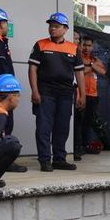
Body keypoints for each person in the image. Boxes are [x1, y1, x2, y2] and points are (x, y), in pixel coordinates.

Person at [28, 12, 85, 172]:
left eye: (56, 26)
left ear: (65, 29)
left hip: (66, 93)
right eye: (51, 26)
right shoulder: (40, 45)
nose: (52, 29)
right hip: (45, 92)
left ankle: (59, 159)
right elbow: (32, 69)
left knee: (62, 127)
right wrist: (35, 91)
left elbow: (79, 73)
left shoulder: (73, 48)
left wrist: (82, 95)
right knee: (44, 127)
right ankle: (45, 160)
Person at [0, 6, 23, 177]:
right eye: (6, 23)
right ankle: (4, 159)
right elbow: (1, 68)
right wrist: (8, 90)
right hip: (1, 92)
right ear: (1, 23)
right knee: (4, 125)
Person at [78, 36, 106, 156]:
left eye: (89, 45)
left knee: (89, 122)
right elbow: (80, 71)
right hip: (81, 93)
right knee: (79, 121)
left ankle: (86, 144)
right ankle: (78, 146)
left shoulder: (94, 59)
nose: (87, 48)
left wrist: (90, 65)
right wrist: (92, 66)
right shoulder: (78, 58)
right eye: (85, 45)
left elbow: (103, 71)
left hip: (93, 94)